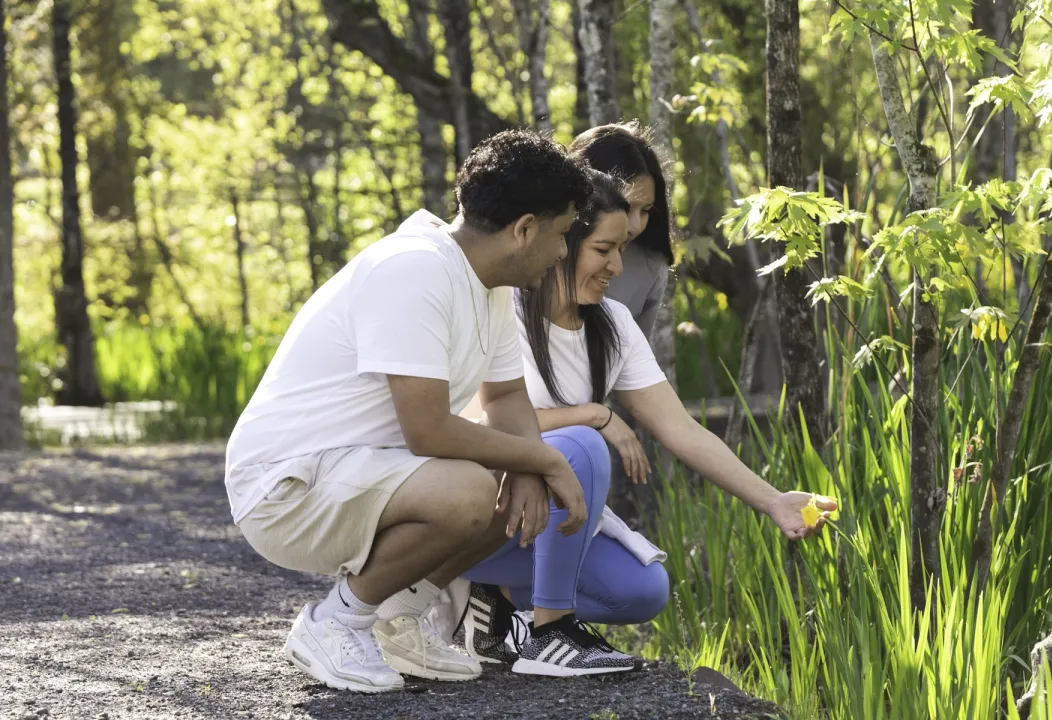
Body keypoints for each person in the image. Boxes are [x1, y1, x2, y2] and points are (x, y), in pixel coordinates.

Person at [224, 129, 594, 693]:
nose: (564, 252)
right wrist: (543, 459)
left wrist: (527, 466)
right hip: (283, 488)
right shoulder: (415, 269)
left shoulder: (487, 282)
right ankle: (335, 623)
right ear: (524, 230)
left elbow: (506, 398)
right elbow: (426, 430)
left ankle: (399, 618)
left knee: (505, 481)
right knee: (471, 492)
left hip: (356, 471)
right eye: (563, 233)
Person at [458, 169, 838, 678]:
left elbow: (681, 429)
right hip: (478, 502)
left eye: (620, 250)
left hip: (544, 515)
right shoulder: (505, 307)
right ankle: (549, 633)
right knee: (584, 445)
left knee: (640, 591)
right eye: (603, 249)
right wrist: (596, 415)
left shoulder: (612, 325)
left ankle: (493, 607)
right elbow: (487, 421)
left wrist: (771, 500)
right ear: (560, 242)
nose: (617, 264)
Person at [568, 122, 672, 339]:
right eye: (626, 206)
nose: (635, 227)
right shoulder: (539, 250)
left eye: (645, 210)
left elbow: (636, 360)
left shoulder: (650, 266)